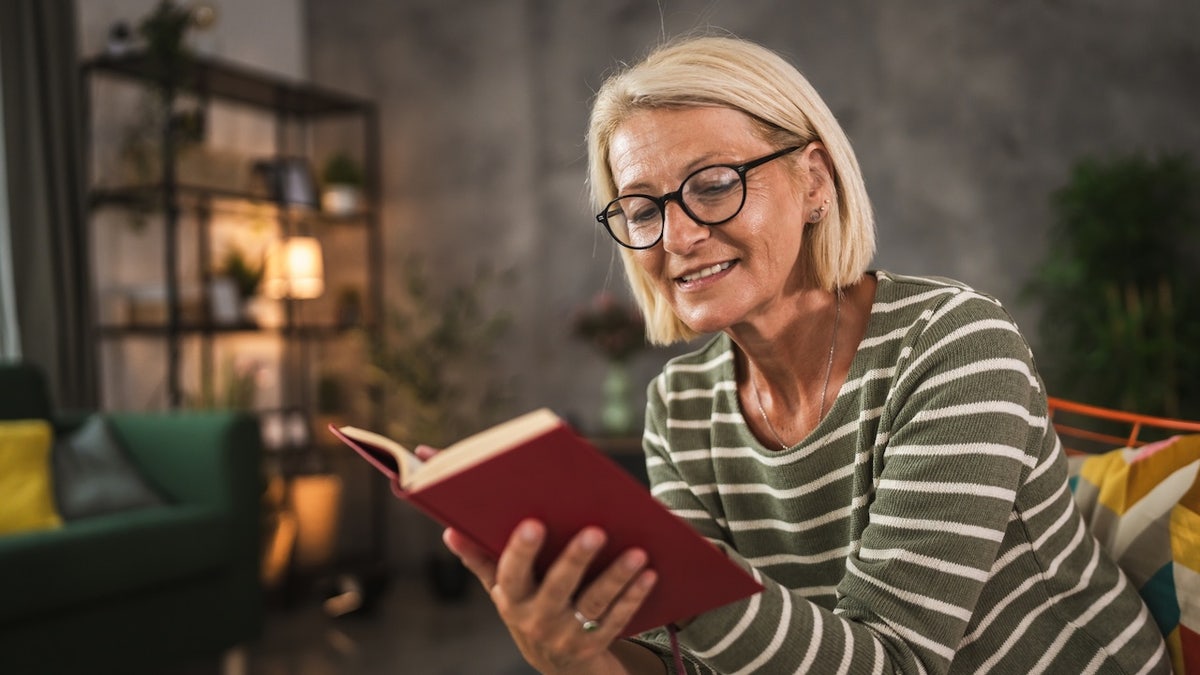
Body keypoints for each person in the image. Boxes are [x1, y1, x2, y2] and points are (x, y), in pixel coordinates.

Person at [439, 35, 1171, 674]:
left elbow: (893, 664)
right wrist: (577, 656)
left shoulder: (954, 345)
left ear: (813, 182)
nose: (677, 236)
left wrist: (679, 576)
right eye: (642, 208)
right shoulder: (683, 405)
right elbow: (689, 662)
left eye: (716, 184)